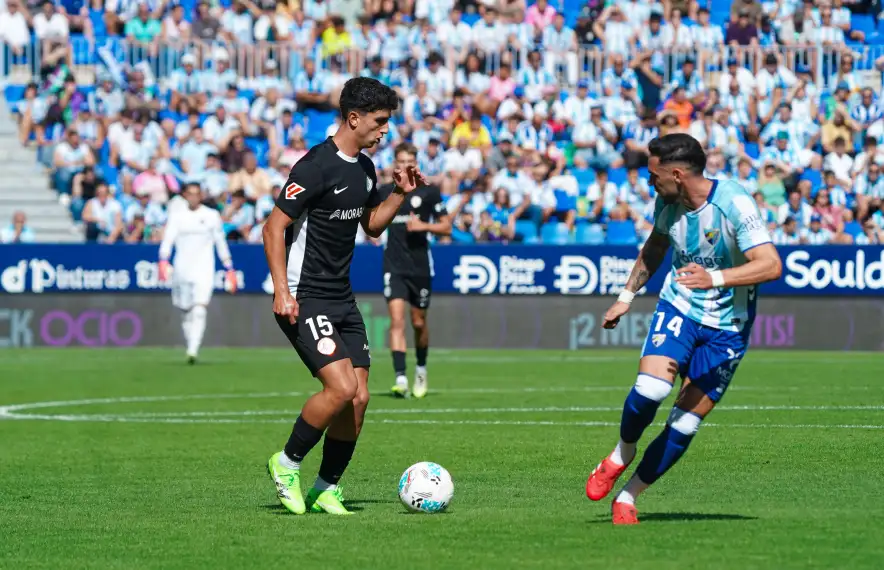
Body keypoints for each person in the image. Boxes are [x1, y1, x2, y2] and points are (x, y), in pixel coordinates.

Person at [585, 134, 783, 525]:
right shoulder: (667, 201)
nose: (648, 181)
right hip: (680, 306)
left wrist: (715, 277)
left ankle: (629, 495)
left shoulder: (733, 204)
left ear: (676, 173)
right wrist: (626, 297)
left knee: (685, 421)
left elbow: (771, 265)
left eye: (653, 173)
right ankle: (621, 453)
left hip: (729, 326)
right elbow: (656, 248)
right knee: (652, 388)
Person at [261, 78, 423, 516]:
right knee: (341, 387)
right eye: (380, 121)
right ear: (354, 118)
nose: (385, 130)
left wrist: (400, 195)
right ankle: (286, 463)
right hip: (304, 295)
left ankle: (326, 487)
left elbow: (371, 225)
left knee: (360, 397)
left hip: (341, 297)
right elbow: (273, 227)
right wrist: (281, 291)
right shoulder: (314, 166)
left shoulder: (366, 168)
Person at [379, 142, 452, 398]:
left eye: (409, 161)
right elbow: (373, 223)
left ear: (415, 164)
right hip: (393, 265)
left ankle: (421, 369)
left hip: (420, 266)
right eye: (400, 161)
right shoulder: (384, 191)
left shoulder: (428, 192)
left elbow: (446, 227)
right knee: (396, 321)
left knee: (418, 323)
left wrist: (423, 227)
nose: (404, 166)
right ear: (394, 163)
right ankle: (400, 378)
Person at [158, 183, 237, 364]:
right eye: (190, 194)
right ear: (185, 196)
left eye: (196, 194)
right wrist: (163, 260)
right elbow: (168, 239)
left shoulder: (211, 216)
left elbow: (220, 242)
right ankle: (190, 345)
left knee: (200, 309)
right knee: (186, 310)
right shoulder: (177, 216)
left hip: (204, 269)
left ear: (201, 196)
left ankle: (193, 349)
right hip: (181, 269)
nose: (193, 198)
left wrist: (229, 267)